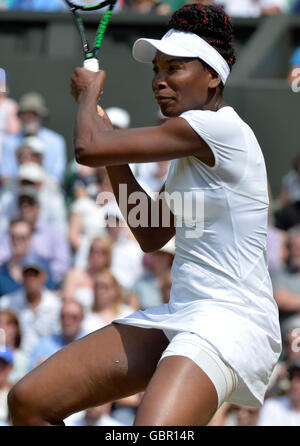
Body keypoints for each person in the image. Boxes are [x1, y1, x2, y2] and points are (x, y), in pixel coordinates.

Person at [8, 4, 281, 426]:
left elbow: (86, 149)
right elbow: (152, 233)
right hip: (184, 312)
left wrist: (88, 96)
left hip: (230, 320)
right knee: (29, 402)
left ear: (213, 76)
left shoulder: (219, 130)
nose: (159, 81)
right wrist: (112, 147)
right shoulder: (188, 147)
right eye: (157, 69)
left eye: (175, 68)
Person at [0, 187, 70, 288]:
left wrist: (38, 278)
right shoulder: (8, 233)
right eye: (22, 203)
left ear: (38, 207)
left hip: (43, 284)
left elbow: (62, 265)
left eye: (30, 203)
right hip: (10, 280)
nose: (25, 207)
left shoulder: (54, 233)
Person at [0, 92, 66, 185]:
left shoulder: (56, 142)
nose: (29, 117)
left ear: (41, 116)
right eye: (25, 113)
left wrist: (35, 180)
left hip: (46, 192)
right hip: (16, 192)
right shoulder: (9, 142)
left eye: (33, 113)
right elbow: (5, 176)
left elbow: (57, 177)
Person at [0, 255, 61, 355]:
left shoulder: (55, 305)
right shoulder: (6, 303)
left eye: (35, 274)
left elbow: (59, 338)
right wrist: (5, 355)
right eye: (27, 274)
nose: (31, 279)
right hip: (15, 361)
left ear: (44, 277)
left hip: (47, 359)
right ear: (22, 276)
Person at [28, 301, 86, 371]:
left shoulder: (90, 344)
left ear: (82, 318)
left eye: (74, 317)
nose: (67, 321)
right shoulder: (43, 345)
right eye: (63, 316)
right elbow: (29, 375)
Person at [0, 311, 29, 385]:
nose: (2, 327)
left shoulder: (23, 358)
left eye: (8, 323)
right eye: (0, 323)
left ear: (16, 329)